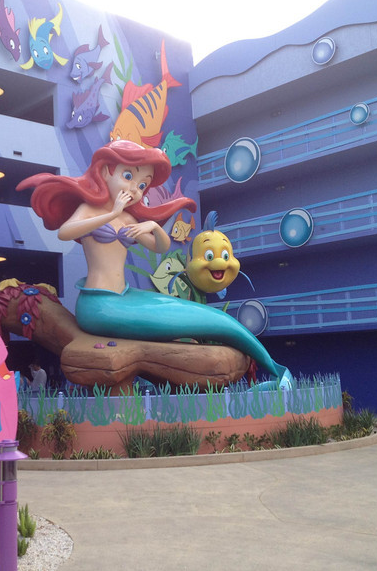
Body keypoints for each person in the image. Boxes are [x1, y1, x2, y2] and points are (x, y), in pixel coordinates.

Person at [16, 140, 293, 388]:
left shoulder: (128, 219)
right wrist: (110, 214)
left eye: (141, 185)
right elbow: (66, 232)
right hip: (99, 305)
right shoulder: (91, 210)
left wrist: (153, 227)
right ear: (105, 172)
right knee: (204, 320)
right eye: (128, 176)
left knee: (210, 317)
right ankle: (276, 370)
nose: (134, 190)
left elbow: (159, 246)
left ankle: (277, 369)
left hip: (124, 297)